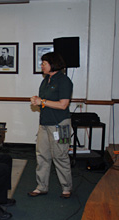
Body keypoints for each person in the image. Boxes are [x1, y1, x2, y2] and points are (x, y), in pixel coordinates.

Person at [29, 52, 73, 199]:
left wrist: (41, 101)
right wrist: (38, 100)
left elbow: (63, 104)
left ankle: (66, 188)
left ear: (53, 64)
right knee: (42, 155)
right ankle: (41, 186)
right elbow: (45, 101)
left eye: (44, 63)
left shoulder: (64, 81)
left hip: (60, 125)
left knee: (60, 156)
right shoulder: (45, 80)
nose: (41, 66)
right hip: (44, 124)